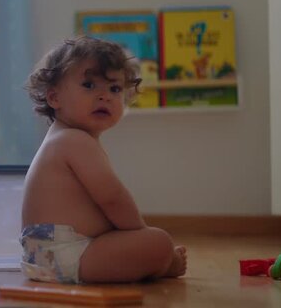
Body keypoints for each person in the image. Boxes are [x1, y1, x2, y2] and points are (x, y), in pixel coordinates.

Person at [20, 36, 187, 284]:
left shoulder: (68, 139)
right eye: (89, 85)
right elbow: (113, 199)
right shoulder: (74, 141)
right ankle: (163, 264)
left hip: (52, 254)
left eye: (114, 89)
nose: (104, 96)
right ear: (54, 98)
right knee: (158, 242)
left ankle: (151, 256)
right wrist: (140, 235)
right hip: (64, 255)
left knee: (149, 242)